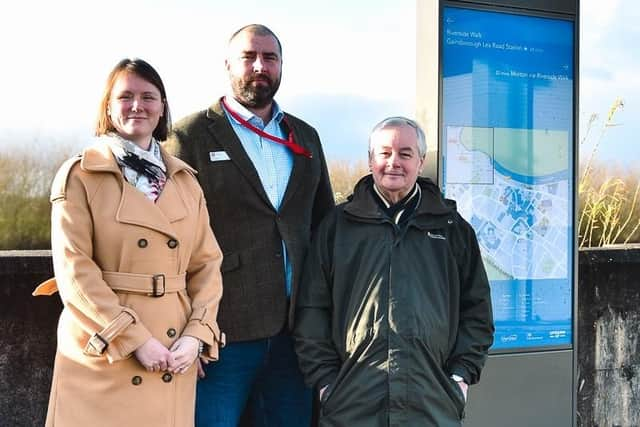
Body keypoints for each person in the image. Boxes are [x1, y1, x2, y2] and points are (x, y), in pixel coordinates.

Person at [35, 58, 225, 427]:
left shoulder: (186, 181)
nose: (137, 105)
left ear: (162, 108)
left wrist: (196, 336)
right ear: (108, 107)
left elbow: (207, 266)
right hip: (106, 350)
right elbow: (75, 271)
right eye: (125, 96)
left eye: (148, 97)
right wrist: (135, 338)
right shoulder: (80, 175)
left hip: (172, 352)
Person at [164, 24, 334, 427]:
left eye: (270, 58)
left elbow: (325, 227)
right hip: (221, 335)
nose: (260, 66)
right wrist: (184, 332)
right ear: (228, 65)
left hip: (295, 335)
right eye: (248, 57)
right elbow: (170, 241)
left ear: (281, 66)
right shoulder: (188, 136)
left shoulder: (305, 135)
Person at [293, 117, 495, 427]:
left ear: (421, 161)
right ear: (370, 159)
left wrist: (458, 380)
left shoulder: (452, 229)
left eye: (405, 153)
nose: (393, 163)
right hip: (352, 404)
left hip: (432, 404)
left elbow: (477, 312)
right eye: (384, 153)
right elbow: (312, 310)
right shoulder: (337, 227)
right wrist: (326, 384)